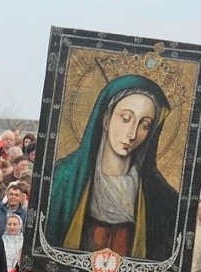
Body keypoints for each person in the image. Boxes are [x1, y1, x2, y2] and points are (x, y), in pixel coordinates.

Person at [46, 75, 179, 261]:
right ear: (106, 119)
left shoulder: (161, 196)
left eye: (145, 125)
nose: (132, 134)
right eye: (126, 118)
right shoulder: (62, 178)